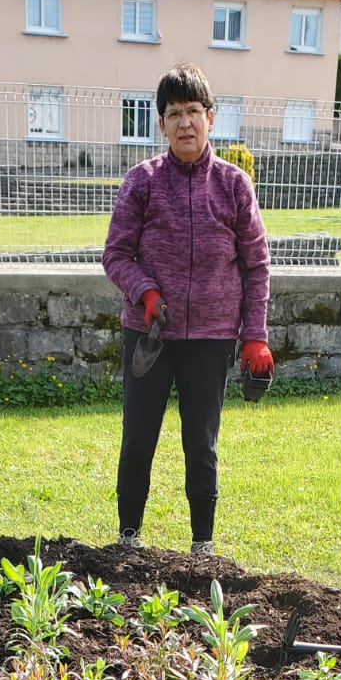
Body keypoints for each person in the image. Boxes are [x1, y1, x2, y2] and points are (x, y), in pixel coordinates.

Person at [102, 63, 272, 557]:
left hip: (212, 339)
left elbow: (256, 264)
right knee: (138, 440)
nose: (185, 124)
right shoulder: (143, 182)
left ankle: (202, 545)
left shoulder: (235, 185)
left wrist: (255, 335)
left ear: (211, 117)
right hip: (150, 336)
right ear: (160, 124)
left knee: (202, 445)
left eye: (194, 112)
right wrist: (146, 292)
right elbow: (116, 254)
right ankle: (129, 537)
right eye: (174, 114)